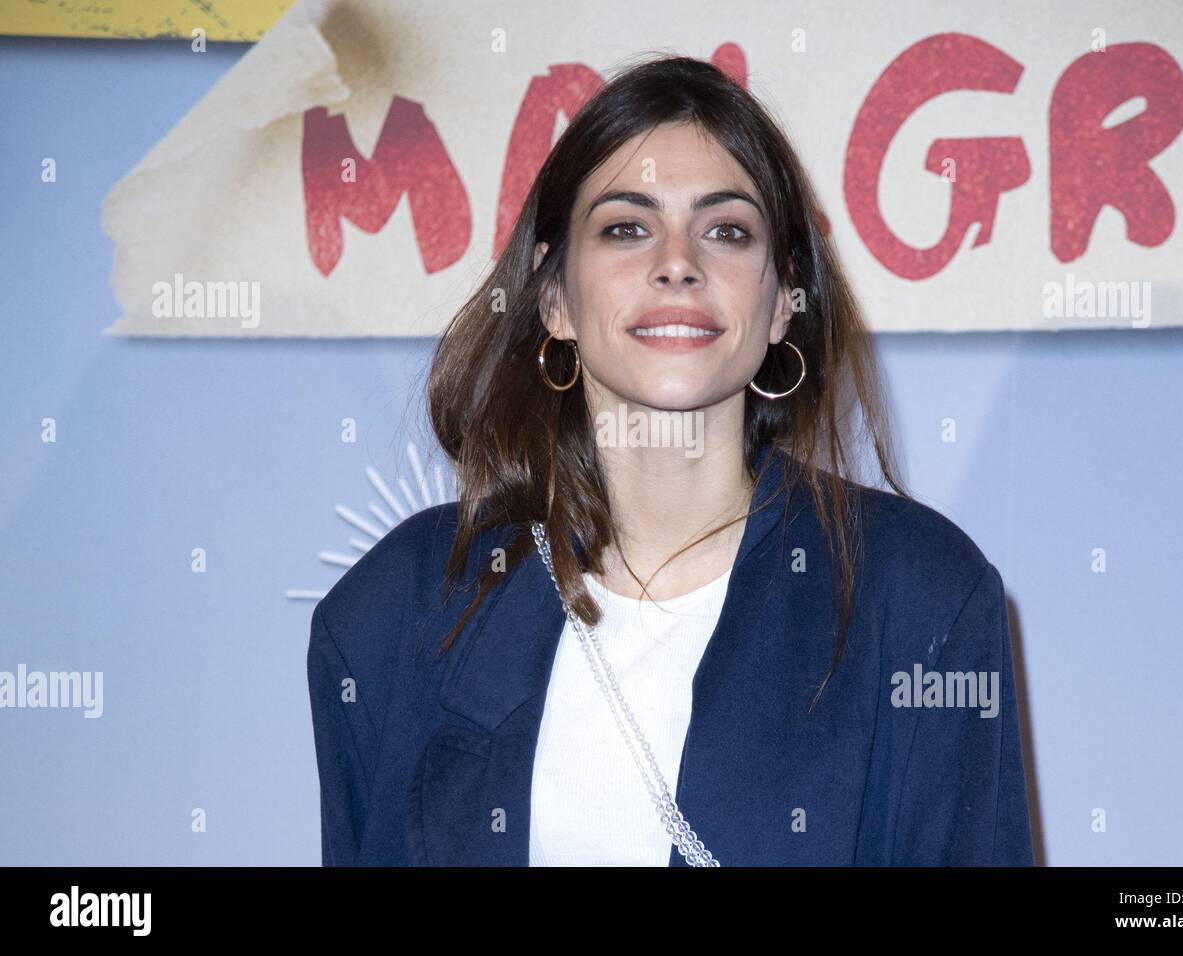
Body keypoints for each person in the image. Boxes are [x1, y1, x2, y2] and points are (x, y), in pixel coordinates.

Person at [308, 54, 1034, 867]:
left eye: (727, 230)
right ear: (553, 299)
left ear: (782, 302)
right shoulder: (398, 607)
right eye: (626, 226)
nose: (678, 261)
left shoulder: (920, 595)